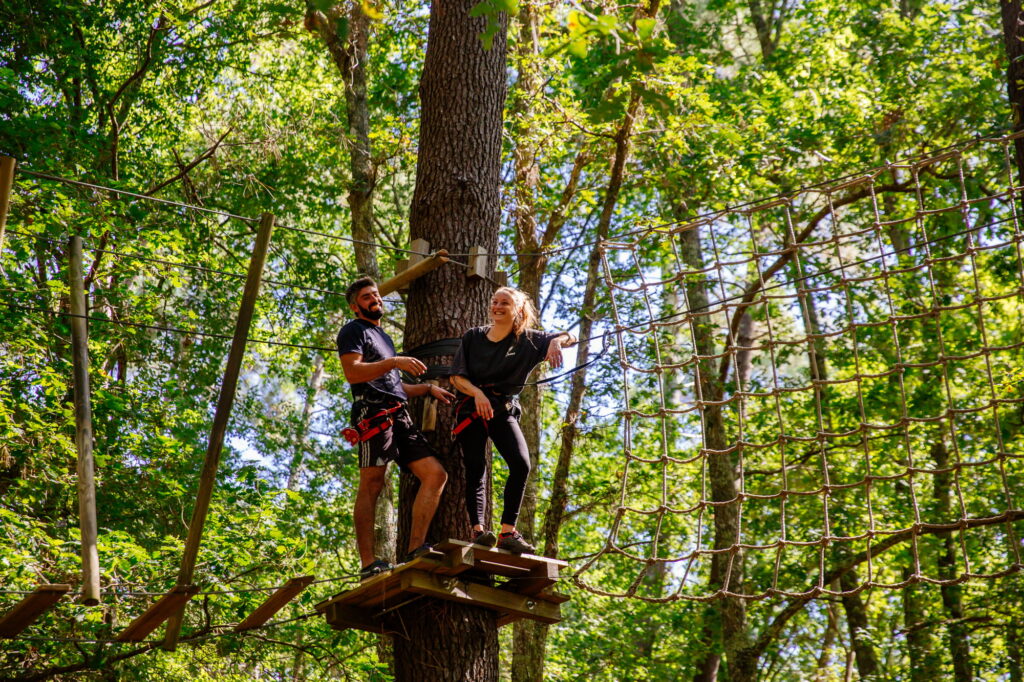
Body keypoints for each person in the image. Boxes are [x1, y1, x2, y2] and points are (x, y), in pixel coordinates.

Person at [336, 276, 454, 580]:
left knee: (435, 475)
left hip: (399, 414)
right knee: (372, 484)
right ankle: (367, 564)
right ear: (355, 307)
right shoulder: (353, 330)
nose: (374, 298)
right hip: (372, 412)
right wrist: (394, 362)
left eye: (375, 294)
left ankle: (416, 549)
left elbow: (394, 384)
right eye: (366, 297)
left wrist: (427, 388)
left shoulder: (383, 338)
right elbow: (353, 372)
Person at [450, 287, 576, 554]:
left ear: (518, 309)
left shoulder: (528, 340)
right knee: (476, 467)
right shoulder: (473, 337)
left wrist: (554, 341)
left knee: (520, 464)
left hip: (503, 407)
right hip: (471, 406)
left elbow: (571, 337)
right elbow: (456, 377)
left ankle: (508, 531)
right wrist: (477, 394)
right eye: (494, 302)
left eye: (504, 303)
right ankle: (479, 530)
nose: (497, 307)